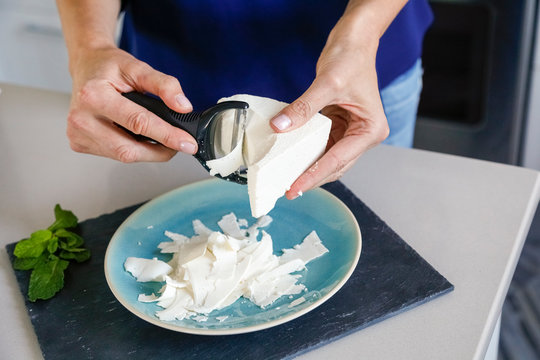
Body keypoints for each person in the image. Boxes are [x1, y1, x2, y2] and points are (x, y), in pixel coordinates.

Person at [55, 0, 432, 199]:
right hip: (173, 91)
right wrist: (89, 46)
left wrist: (360, 35)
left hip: (357, 80)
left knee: (380, 223)